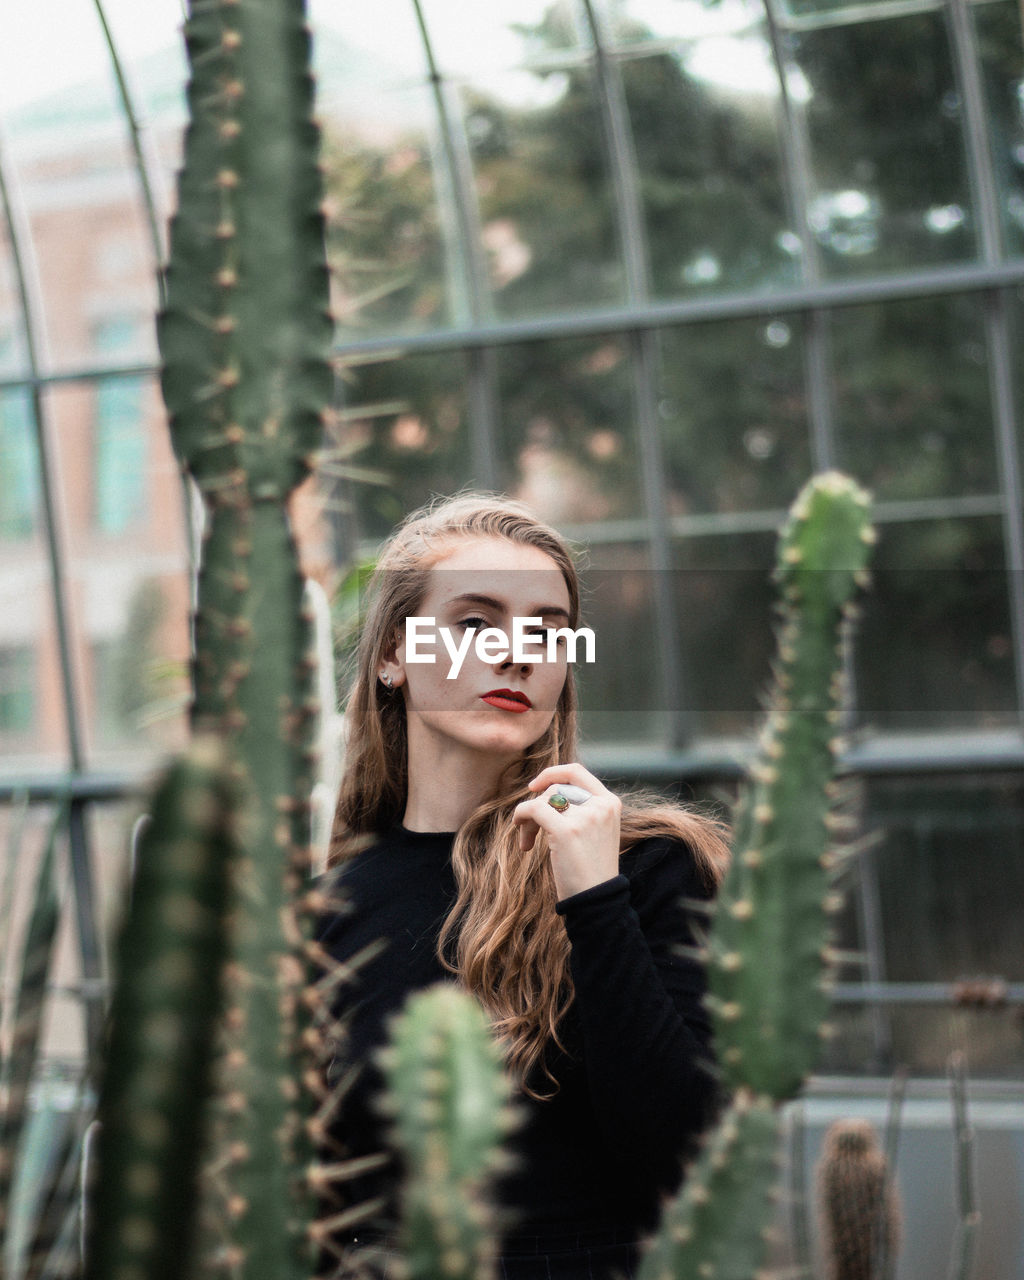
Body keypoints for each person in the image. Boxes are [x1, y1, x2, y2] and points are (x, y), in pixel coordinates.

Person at [315, 491, 730, 1280]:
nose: (519, 652)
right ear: (393, 658)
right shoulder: (330, 911)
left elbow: (690, 1161)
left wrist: (593, 899)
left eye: (547, 629)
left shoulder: (648, 868)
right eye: (475, 624)